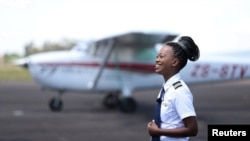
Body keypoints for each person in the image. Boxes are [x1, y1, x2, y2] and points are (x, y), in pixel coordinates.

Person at [147, 36, 199, 141]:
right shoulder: (167, 88)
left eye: (161, 56)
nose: (157, 60)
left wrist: (158, 132)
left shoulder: (179, 91)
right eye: (157, 56)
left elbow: (192, 129)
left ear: (174, 62)